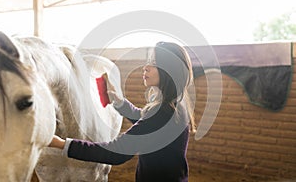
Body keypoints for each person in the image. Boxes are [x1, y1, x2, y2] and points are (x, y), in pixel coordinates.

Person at [49, 41, 196, 182]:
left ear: (169, 71)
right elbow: (145, 121)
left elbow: (116, 152)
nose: (146, 67)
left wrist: (61, 143)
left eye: (154, 64)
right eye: (149, 61)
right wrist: (119, 102)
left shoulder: (162, 113)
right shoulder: (175, 104)